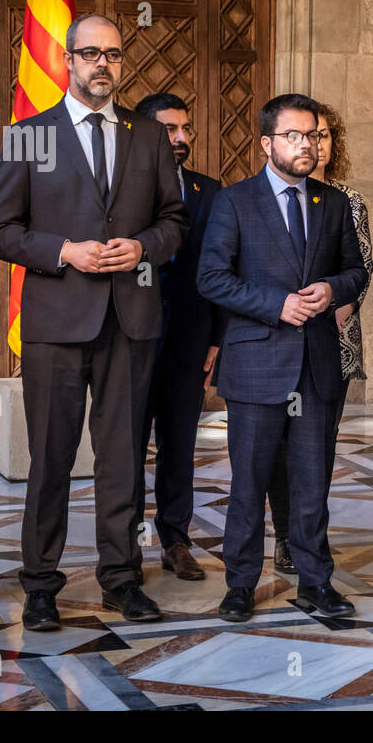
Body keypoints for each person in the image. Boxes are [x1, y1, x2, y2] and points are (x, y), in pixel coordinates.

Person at [0, 14, 189, 629]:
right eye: (90, 53)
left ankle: (121, 578)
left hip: (131, 319)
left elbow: (175, 219)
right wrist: (64, 251)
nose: (103, 64)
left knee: (123, 455)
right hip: (57, 321)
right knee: (51, 457)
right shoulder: (27, 136)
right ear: (68, 61)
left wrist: (146, 247)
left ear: (122, 64)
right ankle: (42, 584)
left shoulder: (149, 136)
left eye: (114, 55)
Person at [197, 94, 368, 623]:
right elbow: (211, 278)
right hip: (256, 365)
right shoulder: (234, 202)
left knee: (313, 482)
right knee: (248, 482)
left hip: (316, 366)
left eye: (314, 135)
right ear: (268, 143)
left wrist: (330, 289)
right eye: (294, 136)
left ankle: (316, 582)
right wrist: (278, 304)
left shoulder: (333, 203)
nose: (307, 145)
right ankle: (240, 585)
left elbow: (357, 271)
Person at [266, 102, 373, 575]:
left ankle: (312, 539)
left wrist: (334, 309)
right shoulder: (266, 198)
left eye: (324, 135)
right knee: (276, 447)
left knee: (317, 445)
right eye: (309, 134)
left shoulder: (345, 201)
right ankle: (286, 534)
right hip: (282, 336)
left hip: (334, 335)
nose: (316, 143)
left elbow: (361, 266)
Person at [132, 92, 227, 582]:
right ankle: (124, 547)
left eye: (185, 128)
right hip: (128, 339)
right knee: (124, 445)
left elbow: (225, 267)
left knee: (179, 444)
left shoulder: (210, 192)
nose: (183, 138)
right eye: (171, 129)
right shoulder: (121, 188)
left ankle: (175, 539)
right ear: (144, 131)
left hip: (190, 338)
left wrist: (217, 337)